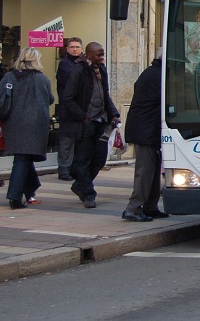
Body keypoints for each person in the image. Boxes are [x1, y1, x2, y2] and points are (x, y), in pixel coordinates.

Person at [60, 42, 120, 209]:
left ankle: (80, 184)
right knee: (83, 159)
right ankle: (88, 194)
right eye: (98, 54)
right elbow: (68, 99)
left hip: (101, 120)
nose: (102, 57)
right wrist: (83, 117)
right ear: (88, 54)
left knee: (100, 158)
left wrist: (113, 113)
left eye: (103, 54)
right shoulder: (78, 71)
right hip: (86, 122)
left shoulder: (101, 70)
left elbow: (104, 95)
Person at [2, 48, 55, 209]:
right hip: (35, 124)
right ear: (36, 60)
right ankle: (14, 198)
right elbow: (50, 99)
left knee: (23, 157)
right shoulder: (42, 79)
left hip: (13, 123)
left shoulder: (9, 76)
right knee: (22, 158)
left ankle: (31, 188)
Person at [123, 50, 167, 222]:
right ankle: (133, 208)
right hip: (145, 129)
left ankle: (150, 206)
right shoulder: (157, 76)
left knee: (153, 169)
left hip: (147, 127)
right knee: (145, 170)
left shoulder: (152, 72)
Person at [55, 37, 83, 181]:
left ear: (82, 48)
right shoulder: (64, 65)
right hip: (68, 109)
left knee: (79, 142)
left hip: (81, 110)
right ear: (67, 49)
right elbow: (74, 83)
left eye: (77, 47)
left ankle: (73, 169)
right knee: (66, 141)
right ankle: (64, 169)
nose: (75, 49)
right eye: (72, 47)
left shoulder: (84, 64)